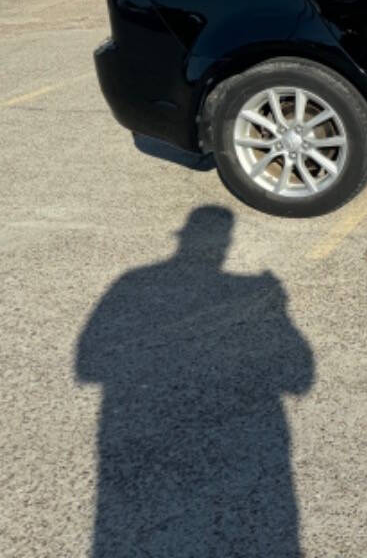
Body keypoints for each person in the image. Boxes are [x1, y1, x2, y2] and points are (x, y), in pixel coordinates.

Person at [76, 205, 313, 557]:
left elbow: (88, 366)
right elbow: (301, 379)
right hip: (256, 450)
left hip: (143, 455)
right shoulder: (256, 286)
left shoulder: (132, 282)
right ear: (228, 242)